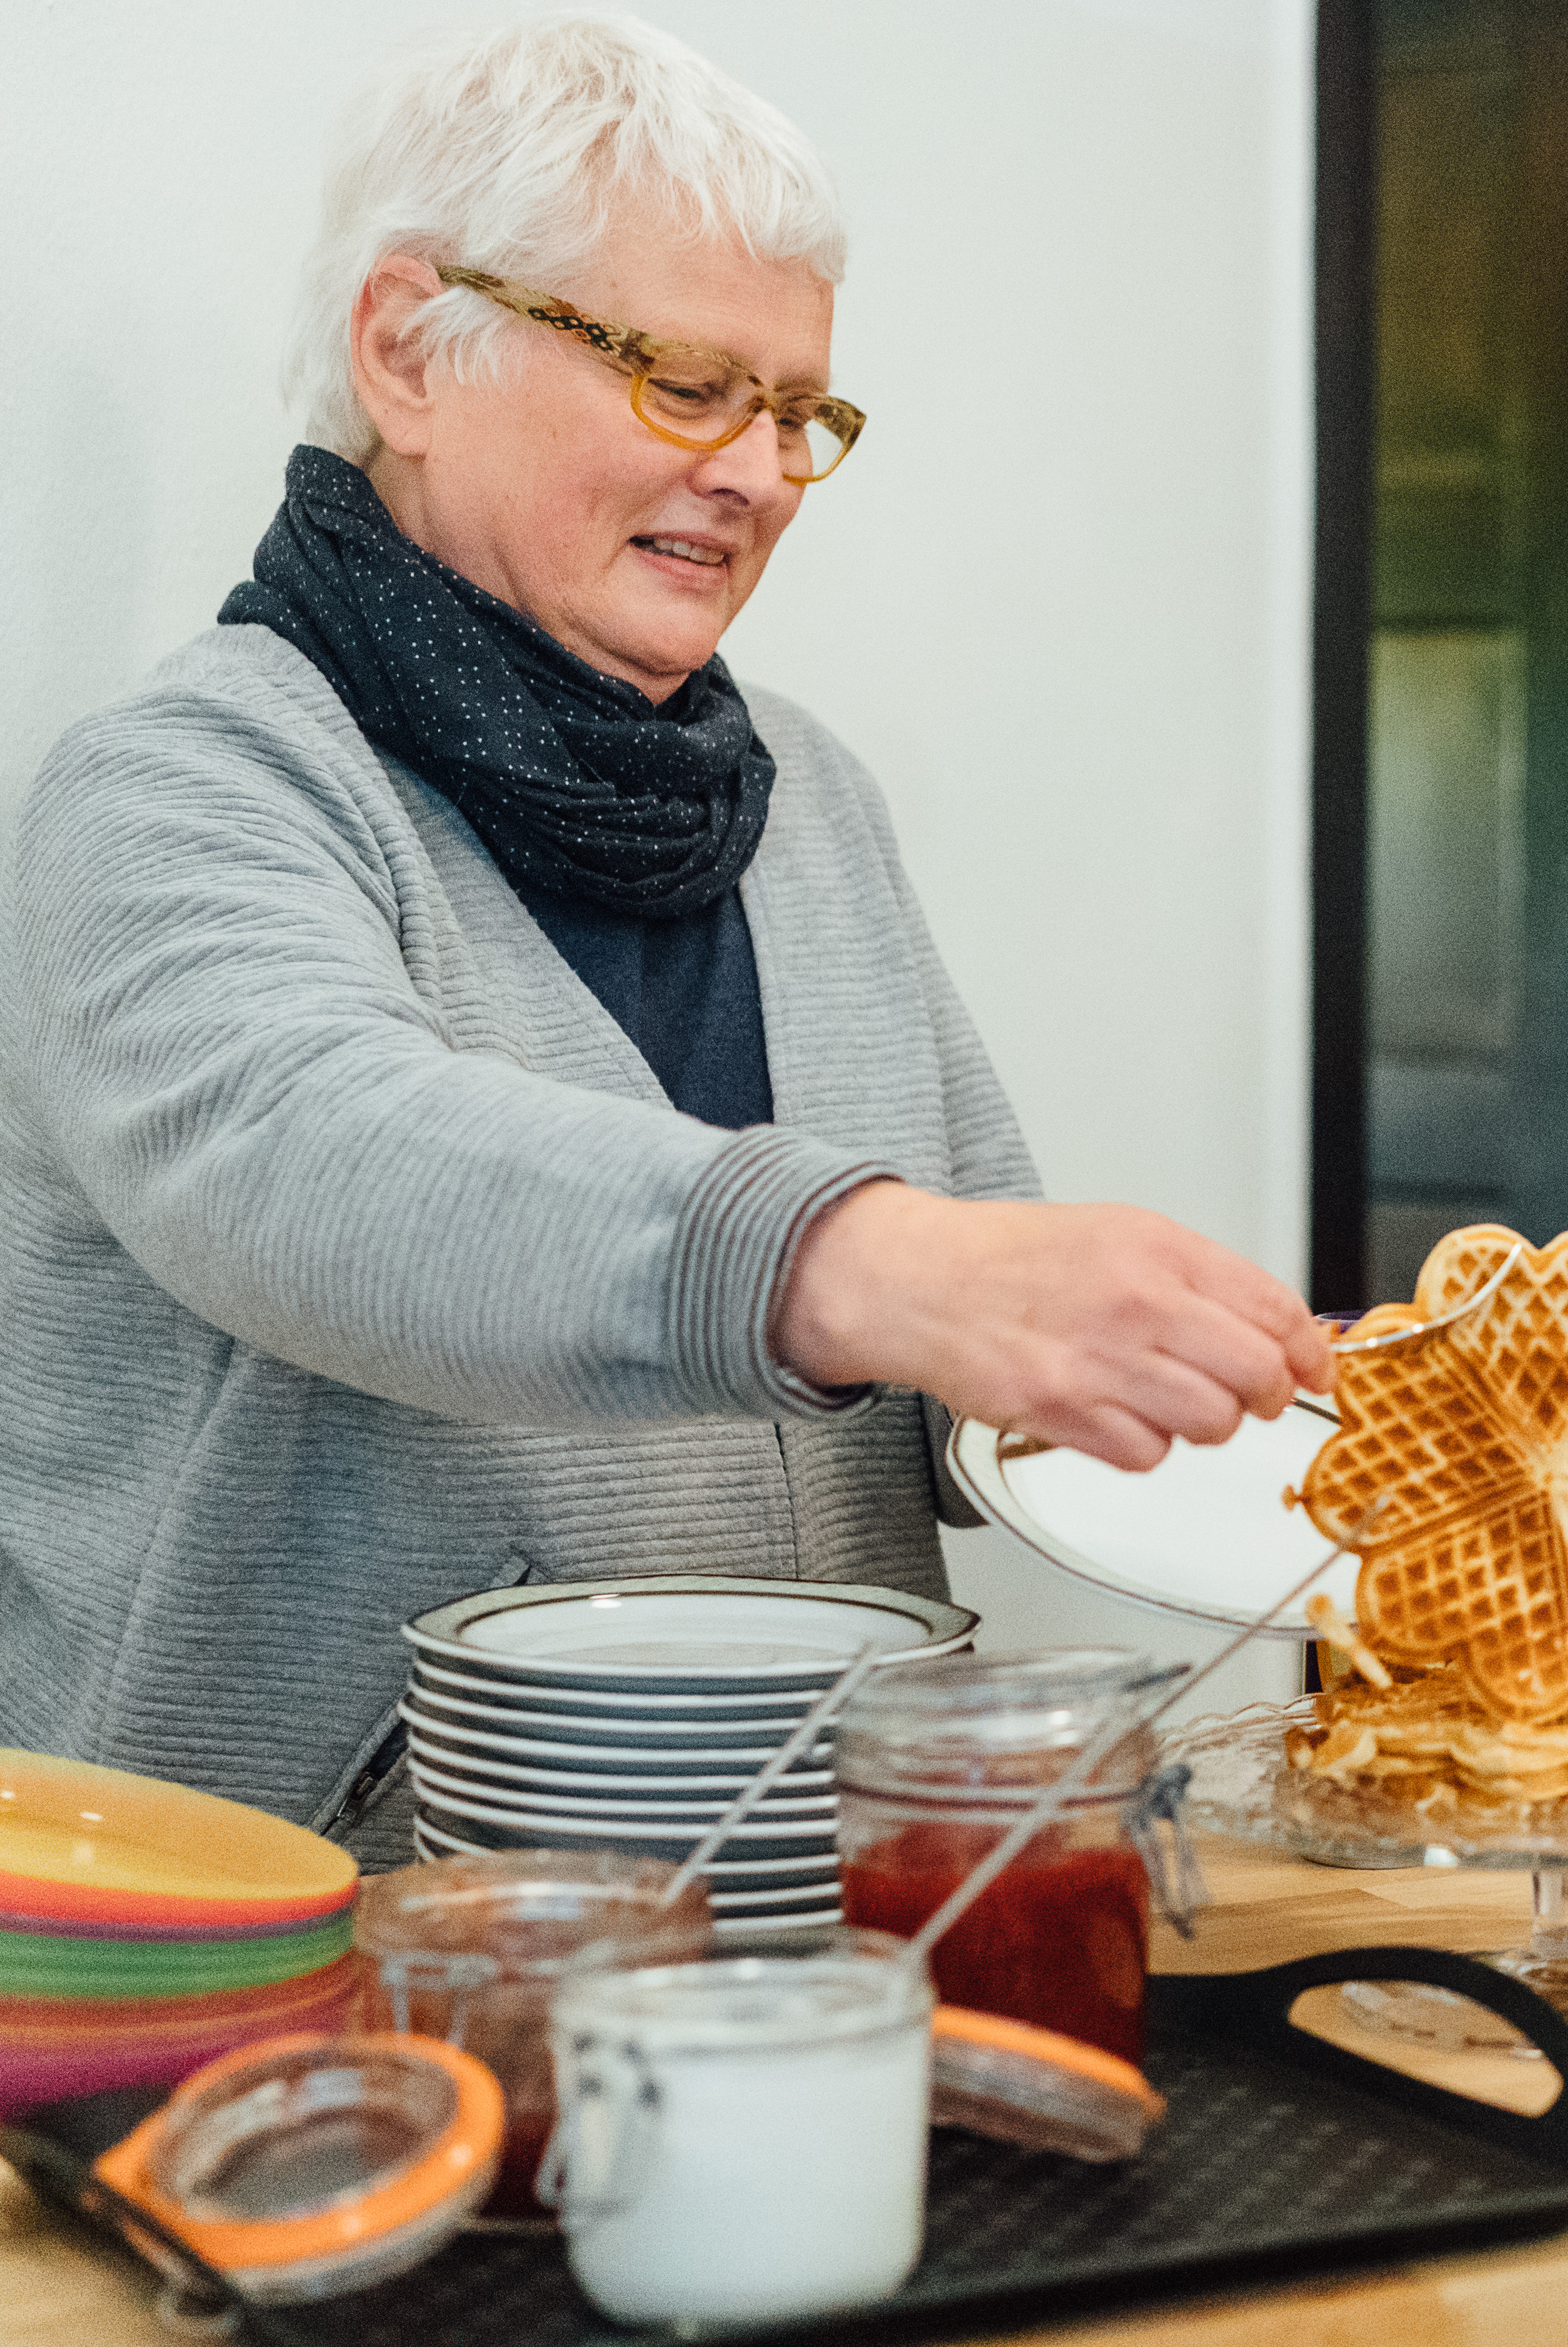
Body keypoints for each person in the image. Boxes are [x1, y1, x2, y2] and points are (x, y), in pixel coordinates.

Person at [0, 16, 1327, 1852]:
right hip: (310, 1983)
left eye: (798, 415)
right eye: (690, 382)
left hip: (821, 1924)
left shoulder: (809, 799)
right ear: (408, 349)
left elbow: (964, 1333)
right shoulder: (180, 786)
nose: (764, 473)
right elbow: (311, 1153)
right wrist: (867, 1263)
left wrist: (1244, 1417)